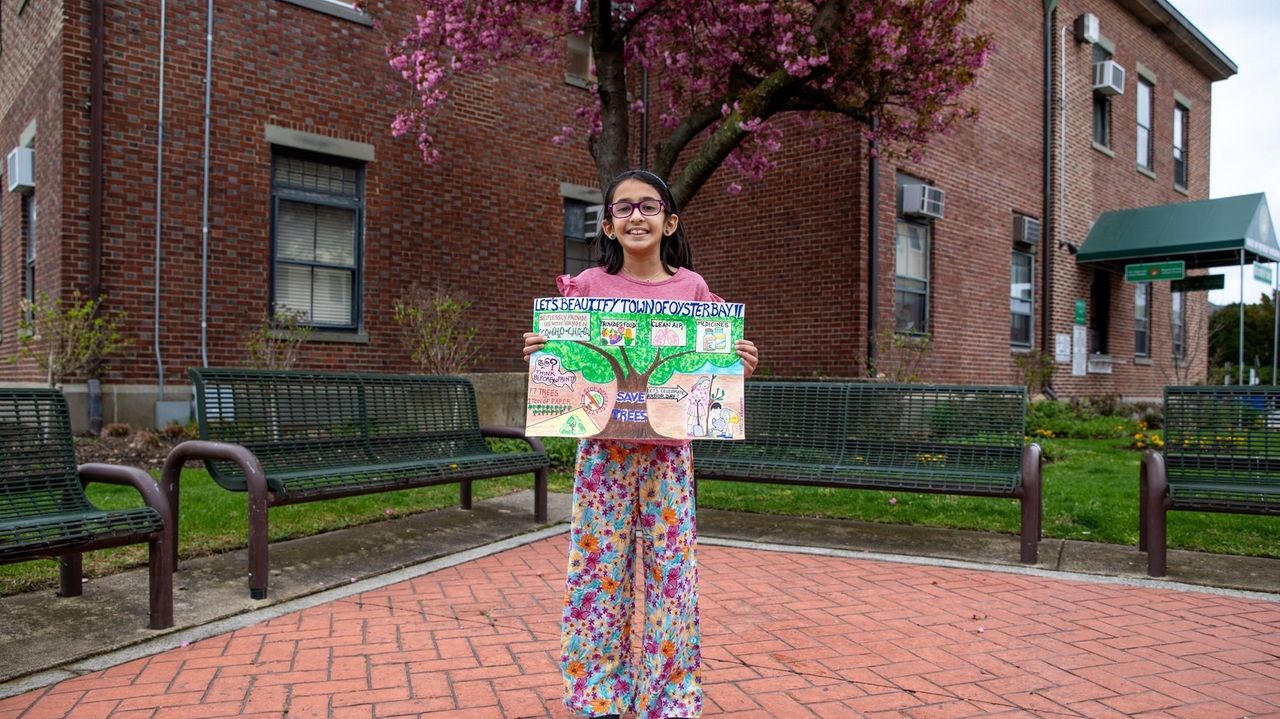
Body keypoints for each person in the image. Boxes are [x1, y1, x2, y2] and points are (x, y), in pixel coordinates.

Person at [523, 169, 758, 719]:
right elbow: (567, 370)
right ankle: (597, 692)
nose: (636, 216)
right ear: (607, 224)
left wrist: (737, 362)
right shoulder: (586, 288)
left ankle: (669, 694)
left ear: (669, 221)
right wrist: (543, 354)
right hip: (602, 452)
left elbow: (710, 368)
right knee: (596, 571)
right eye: (623, 208)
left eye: (648, 207)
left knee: (672, 574)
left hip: (669, 454)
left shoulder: (693, 290)